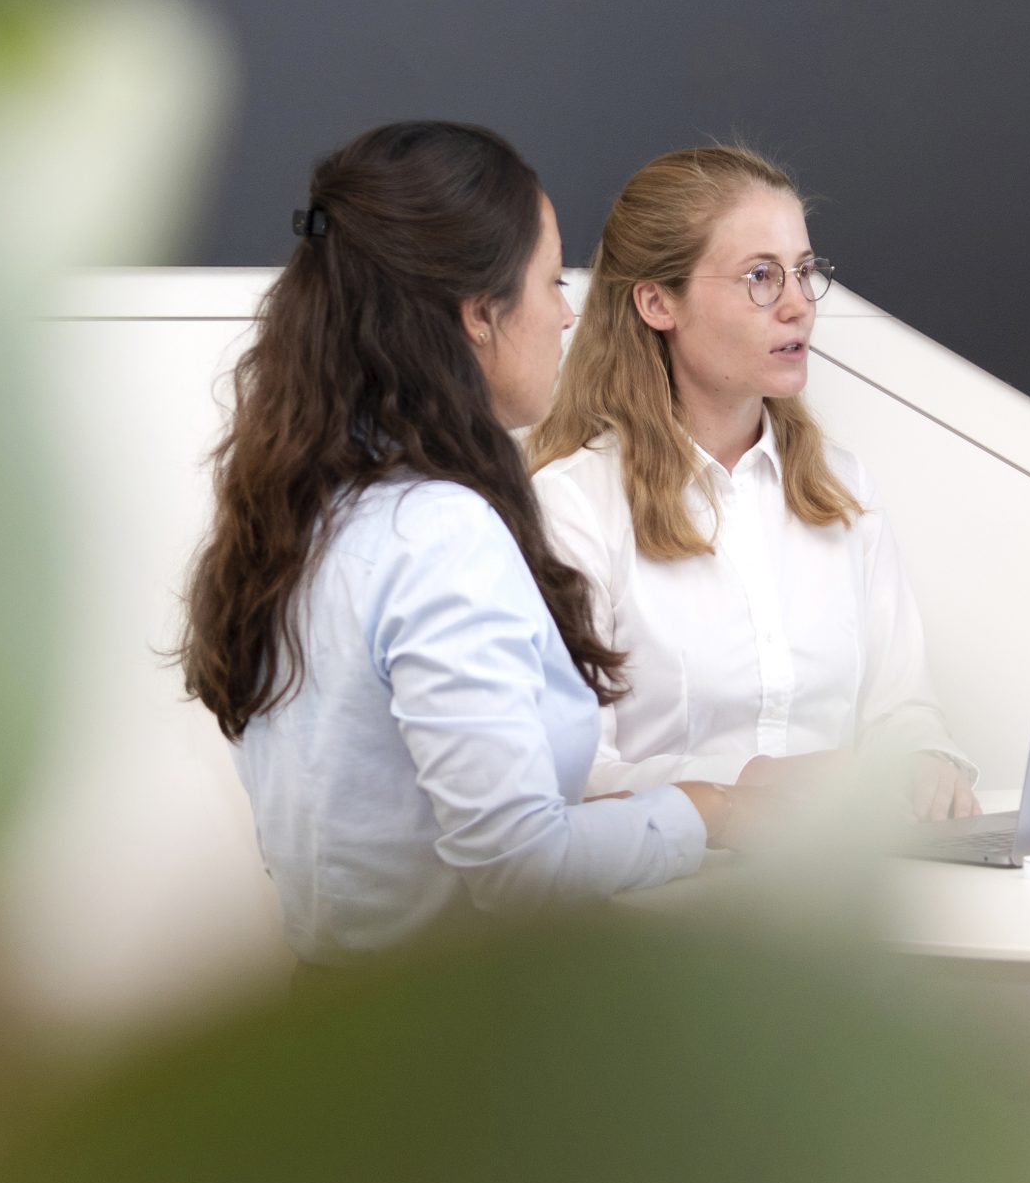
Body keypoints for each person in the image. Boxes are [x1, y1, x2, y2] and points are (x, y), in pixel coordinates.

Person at [179, 121, 732, 967]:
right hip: (446, 1062)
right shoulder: (438, 533)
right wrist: (710, 808)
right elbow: (520, 867)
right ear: (478, 313)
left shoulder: (307, 509)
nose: (566, 311)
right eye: (550, 281)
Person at [528, 144, 976, 822]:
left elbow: (903, 706)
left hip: (837, 894)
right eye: (761, 276)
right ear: (657, 302)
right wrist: (750, 786)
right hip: (658, 898)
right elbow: (568, 770)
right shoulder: (574, 504)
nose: (798, 305)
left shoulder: (841, 488)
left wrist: (923, 761)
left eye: (803, 272)